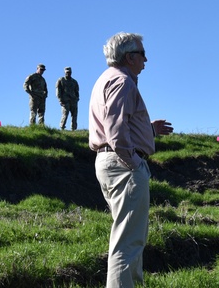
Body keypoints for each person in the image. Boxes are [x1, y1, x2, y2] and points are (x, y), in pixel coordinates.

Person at [89, 32, 174, 288]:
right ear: (129, 57)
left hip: (111, 162)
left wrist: (148, 130)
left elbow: (116, 124)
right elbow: (115, 130)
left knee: (129, 237)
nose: (146, 60)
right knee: (129, 241)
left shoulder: (108, 79)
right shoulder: (122, 81)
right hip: (122, 165)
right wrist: (134, 162)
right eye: (142, 54)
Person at [56, 66, 80, 130]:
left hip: (73, 100)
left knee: (74, 115)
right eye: (67, 72)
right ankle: (62, 127)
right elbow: (58, 90)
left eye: (69, 72)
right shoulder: (61, 80)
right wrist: (60, 100)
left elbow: (77, 91)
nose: (68, 73)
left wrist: (77, 98)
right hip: (65, 100)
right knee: (65, 114)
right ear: (64, 72)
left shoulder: (74, 82)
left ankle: (73, 128)